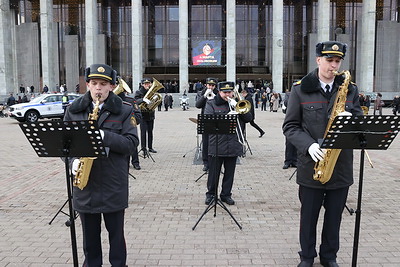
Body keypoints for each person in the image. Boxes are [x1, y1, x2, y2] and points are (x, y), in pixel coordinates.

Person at [283, 41, 363, 267]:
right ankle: (307, 257)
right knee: (308, 217)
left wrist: (351, 120)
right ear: (318, 60)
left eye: (338, 61)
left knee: (334, 217)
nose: (334, 65)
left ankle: (329, 256)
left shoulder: (350, 89)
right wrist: (308, 145)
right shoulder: (300, 89)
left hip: (341, 165)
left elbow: (359, 124)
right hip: (312, 163)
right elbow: (290, 127)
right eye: (329, 60)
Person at [64, 63, 139, 267]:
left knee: (116, 238)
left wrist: (104, 136)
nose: (98, 88)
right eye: (94, 83)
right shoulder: (74, 110)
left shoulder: (124, 110)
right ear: (87, 85)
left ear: (112, 86)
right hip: (85, 186)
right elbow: (65, 145)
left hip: (113, 184)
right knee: (90, 241)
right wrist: (71, 162)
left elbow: (131, 145)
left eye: (103, 84)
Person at [204, 81, 252, 205]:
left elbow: (248, 119)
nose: (227, 95)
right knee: (214, 173)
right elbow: (208, 120)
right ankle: (211, 194)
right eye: (225, 92)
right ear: (219, 92)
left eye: (229, 92)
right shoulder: (211, 103)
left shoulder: (236, 103)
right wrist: (227, 116)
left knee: (229, 173)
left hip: (233, 144)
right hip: (216, 144)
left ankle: (226, 194)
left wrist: (238, 108)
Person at [195, 77, 218, 171]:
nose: (211, 87)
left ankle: (216, 162)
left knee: (217, 141)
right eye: (209, 85)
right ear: (206, 85)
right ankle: (206, 163)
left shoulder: (218, 93)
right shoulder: (201, 92)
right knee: (206, 142)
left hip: (216, 120)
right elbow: (197, 105)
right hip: (205, 120)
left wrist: (215, 97)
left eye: (213, 85)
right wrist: (204, 96)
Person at [135, 78, 158, 154]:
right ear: (142, 84)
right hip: (143, 115)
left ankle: (150, 147)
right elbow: (135, 101)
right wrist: (142, 99)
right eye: (145, 84)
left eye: (148, 83)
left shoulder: (151, 91)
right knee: (143, 132)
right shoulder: (138, 92)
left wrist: (155, 99)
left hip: (150, 114)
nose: (147, 85)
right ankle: (144, 148)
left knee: (150, 132)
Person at [282, 89, 297, 169]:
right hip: (291, 119)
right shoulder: (288, 94)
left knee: (297, 142)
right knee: (289, 143)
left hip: (300, 119)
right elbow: (286, 103)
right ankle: (287, 161)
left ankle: (295, 160)